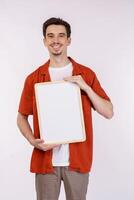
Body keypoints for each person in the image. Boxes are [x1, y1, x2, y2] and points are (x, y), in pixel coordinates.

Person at [17, 17, 113, 200]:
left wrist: (86, 87)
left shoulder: (86, 74)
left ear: (69, 40)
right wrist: (32, 140)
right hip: (45, 162)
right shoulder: (34, 78)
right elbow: (21, 116)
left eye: (61, 36)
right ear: (44, 41)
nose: (56, 40)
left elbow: (108, 112)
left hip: (77, 161)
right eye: (50, 36)